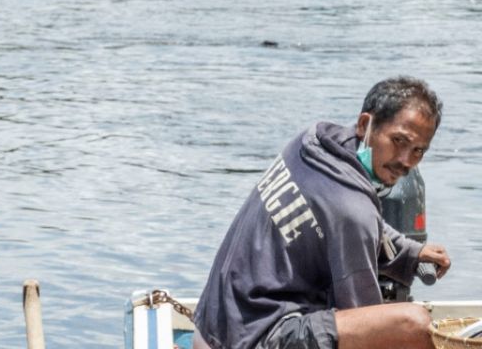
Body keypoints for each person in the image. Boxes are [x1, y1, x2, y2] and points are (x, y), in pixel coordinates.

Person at [193, 76, 451, 349]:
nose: (406, 161)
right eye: (398, 141)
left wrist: (411, 254)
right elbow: (366, 319)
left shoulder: (312, 146)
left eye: (418, 151)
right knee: (412, 323)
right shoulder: (353, 210)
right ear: (365, 124)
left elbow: (342, 222)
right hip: (255, 338)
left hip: (215, 326)